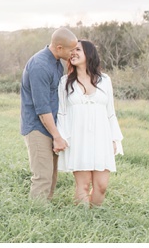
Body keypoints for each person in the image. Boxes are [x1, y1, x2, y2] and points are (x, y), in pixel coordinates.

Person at [56, 39, 124, 207]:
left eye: (78, 50)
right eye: (71, 50)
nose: (73, 53)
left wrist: (115, 139)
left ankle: (96, 218)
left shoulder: (105, 80)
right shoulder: (65, 82)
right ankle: (83, 222)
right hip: (78, 139)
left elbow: (110, 112)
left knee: (101, 186)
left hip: (102, 138)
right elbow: (62, 113)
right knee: (83, 185)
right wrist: (62, 138)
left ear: (89, 53)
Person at [20, 27, 78, 202]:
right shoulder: (40, 66)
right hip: (38, 128)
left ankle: (45, 212)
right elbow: (42, 108)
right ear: (59, 47)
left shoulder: (56, 63)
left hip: (51, 127)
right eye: (71, 49)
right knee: (42, 177)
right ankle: (35, 219)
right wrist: (56, 136)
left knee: (52, 176)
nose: (73, 53)